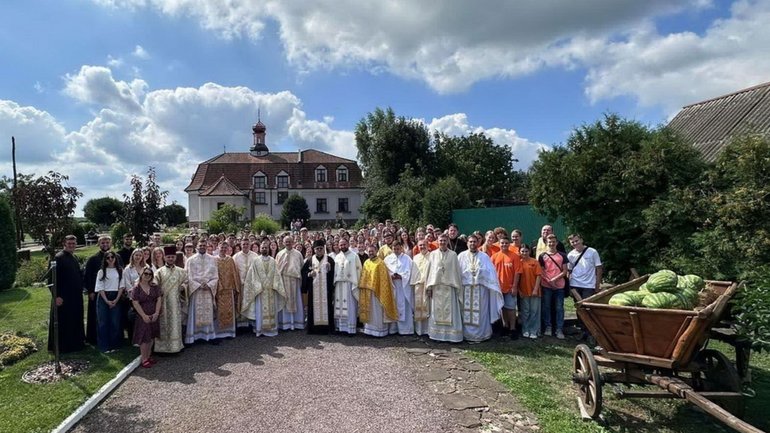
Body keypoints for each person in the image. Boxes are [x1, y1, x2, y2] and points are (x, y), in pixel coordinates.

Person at [458, 234, 503, 342]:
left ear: (478, 243)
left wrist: (481, 273)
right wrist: (467, 274)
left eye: (474, 242)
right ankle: (466, 335)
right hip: (466, 289)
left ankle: (482, 335)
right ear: (467, 243)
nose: (472, 244)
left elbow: (491, 273)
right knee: (465, 311)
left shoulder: (484, 256)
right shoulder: (461, 256)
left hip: (480, 289)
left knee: (481, 312)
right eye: (470, 242)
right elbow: (457, 272)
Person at [48, 235, 85, 353]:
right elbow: (51, 280)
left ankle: (75, 344)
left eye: (73, 243)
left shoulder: (73, 257)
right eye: (69, 243)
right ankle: (63, 347)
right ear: (64, 243)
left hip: (74, 296)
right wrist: (56, 296)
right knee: (64, 322)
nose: (71, 245)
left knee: (74, 319)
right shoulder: (58, 258)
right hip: (62, 297)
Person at [242, 241, 287, 337]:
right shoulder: (255, 261)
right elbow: (252, 276)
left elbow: (277, 274)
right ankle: (260, 330)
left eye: (266, 247)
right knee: (260, 311)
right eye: (262, 248)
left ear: (268, 248)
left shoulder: (273, 261)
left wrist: (275, 285)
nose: (264, 249)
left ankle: (272, 330)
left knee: (272, 310)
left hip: (271, 290)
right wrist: (258, 286)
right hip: (260, 291)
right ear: (260, 249)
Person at [425, 233, 464, 343]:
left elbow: (456, 272)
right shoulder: (432, 254)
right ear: (437, 241)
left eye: (444, 240)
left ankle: (451, 336)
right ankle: (436, 335)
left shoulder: (453, 255)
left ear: (447, 241)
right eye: (440, 240)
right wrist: (428, 288)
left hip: (450, 287)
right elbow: (429, 271)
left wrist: (457, 287)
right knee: (436, 312)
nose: (442, 242)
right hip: (436, 288)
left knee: (451, 312)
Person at [84, 236, 119, 345]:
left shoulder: (116, 257)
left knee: (115, 318)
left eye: (107, 242)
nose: (105, 244)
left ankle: (114, 339)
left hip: (115, 292)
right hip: (97, 293)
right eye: (103, 243)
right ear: (99, 244)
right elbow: (87, 276)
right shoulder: (93, 259)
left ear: (111, 243)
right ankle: (95, 338)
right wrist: (90, 291)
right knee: (98, 317)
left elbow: (120, 274)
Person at [567, 234, 603, 339]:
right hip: (575, 285)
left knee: (588, 308)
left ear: (581, 240)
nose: (575, 243)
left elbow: (599, 268)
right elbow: (569, 271)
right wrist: (568, 285)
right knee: (579, 309)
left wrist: (597, 284)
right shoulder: (570, 255)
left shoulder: (592, 252)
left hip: (589, 285)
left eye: (576, 241)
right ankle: (582, 331)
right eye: (572, 242)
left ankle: (591, 331)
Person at [359, 244, 398, 337]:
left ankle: (379, 331)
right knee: (370, 311)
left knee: (377, 312)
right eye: (369, 251)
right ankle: (369, 330)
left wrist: (378, 287)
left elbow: (384, 279)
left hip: (377, 291)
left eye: (372, 251)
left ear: (376, 251)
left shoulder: (380, 263)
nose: (371, 253)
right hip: (368, 291)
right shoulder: (366, 262)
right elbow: (363, 275)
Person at [154, 246, 188, 353]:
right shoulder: (159, 272)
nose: (170, 259)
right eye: (168, 257)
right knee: (163, 325)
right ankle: (162, 348)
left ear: (175, 258)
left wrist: (183, 287)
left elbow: (187, 282)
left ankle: (176, 346)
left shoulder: (181, 271)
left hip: (175, 303)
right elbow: (154, 286)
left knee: (175, 324)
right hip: (163, 303)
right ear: (164, 258)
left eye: (172, 257)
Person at [185, 240, 219, 344]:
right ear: (197, 247)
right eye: (201, 245)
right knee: (195, 313)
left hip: (208, 290)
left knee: (208, 312)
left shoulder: (212, 259)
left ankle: (209, 336)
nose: (202, 247)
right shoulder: (190, 260)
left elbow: (216, 276)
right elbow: (187, 276)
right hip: (196, 291)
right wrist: (198, 285)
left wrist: (209, 285)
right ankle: (193, 337)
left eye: (204, 245)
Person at [301, 239, 335, 334]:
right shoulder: (310, 260)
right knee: (313, 308)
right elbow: (303, 273)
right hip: (313, 290)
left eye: (321, 248)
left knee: (327, 308)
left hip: (326, 290)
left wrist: (330, 269)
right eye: (317, 248)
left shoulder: (329, 260)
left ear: (324, 249)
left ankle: (327, 329)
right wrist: (309, 274)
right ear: (314, 249)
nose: (319, 250)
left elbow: (334, 275)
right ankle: (313, 329)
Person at [131, 267, 162, 368]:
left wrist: (157, 313)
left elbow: (159, 299)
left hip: (154, 314)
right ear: (141, 274)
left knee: (152, 335)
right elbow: (135, 303)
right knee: (144, 337)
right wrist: (143, 315)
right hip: (142, 315)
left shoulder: (154, 287)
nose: (147, 276)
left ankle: (148, 356)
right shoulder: (137, 288)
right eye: (145, 274)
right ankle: (144, 359)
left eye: (149, 274)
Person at [538, 234, 569, 339]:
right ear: (546, 243)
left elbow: (565, 271)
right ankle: (548, 327)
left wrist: (554, 280)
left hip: (559, 286)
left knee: (559, 308)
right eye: (549, 242)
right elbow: (541, 271)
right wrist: (549, 281)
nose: (551, 244)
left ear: (557, 243)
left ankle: (559, 329)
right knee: (546, 307)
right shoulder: (542, 256)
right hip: (546, 285)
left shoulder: (562, 255)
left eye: (553, 242)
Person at [491, 237, 521, 339]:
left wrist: (515, 286)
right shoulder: (494, 256)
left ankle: (513, 328)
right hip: (498, 287)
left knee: (511, 308)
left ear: (509, 244)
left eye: (506, 243)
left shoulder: (515, 256)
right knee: (502, 307)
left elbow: (517, 272)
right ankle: (505, 326)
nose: (504, 245)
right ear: (499, 244)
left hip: (510, 287)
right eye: (502, 243)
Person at [94, 252, 124, 352]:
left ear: (115, 258)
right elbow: (100, 287)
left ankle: (115, 345)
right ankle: (104, 346)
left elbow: (121, 286)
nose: (110, 259)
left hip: (116, 295)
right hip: (104, 296)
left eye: (112, 257)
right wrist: (107, 301)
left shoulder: (120, 270)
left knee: (115, 322)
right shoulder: (101, 272)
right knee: (103, 322)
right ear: (105, 259)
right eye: (108, 258)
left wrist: (116, 300)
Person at [384, 241, 415, 335]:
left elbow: (409, 271)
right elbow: (385, 271)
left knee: (404, 306)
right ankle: (393, 329)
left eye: (398, 249)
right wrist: (391, 276)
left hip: (403, 286)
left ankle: (405, 330)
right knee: (393, 305)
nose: (396, 250)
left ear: (401, 248)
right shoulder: (387, 259)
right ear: (392, 248)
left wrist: (401, 276)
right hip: (393, 286)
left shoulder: (407, 259)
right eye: (394, 249)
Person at [332, 238, 361, 334]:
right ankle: (340, 328)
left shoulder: (354, 256)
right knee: (339, 306)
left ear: (348, 244)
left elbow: (358, 270)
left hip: (350, 285)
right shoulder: (337, 257)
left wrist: (356, 283)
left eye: (344, 244)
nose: (342, 246)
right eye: (341, 245)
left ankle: (350, 329)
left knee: (350, 306)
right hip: (339, 285)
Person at [275, 236, 305, 330]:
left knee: (296, 301)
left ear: (293, 242)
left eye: (289, 241)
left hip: (295, 281)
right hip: (284, 280)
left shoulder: (298, 254)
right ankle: (285, 323)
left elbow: (301, 266)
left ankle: (297, 323)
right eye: (286, 242)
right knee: (285, 301)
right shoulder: (279, 254)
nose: (288, 243)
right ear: (283, 243)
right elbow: (276, 269)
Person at [120, 249, 147, 342]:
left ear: (142, 257)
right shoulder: (128, 269)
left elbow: (149, 279)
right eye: (136, 255)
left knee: (143, 318)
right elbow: (127, 283)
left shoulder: (146, 267)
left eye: (140, 255)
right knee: (133, 318)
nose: (138, 257)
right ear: (132, 256)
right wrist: (135, 294)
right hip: (133, 297)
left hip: (145, 297)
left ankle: (143, 337)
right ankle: (134, 338)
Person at [215, 243, 241, 339]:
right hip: (219, 289)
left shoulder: (230, 259)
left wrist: (235, 287)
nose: (223, 249)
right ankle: (219, 333)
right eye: (222, 247)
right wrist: (218, 285)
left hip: (229, 289)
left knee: (230, 310)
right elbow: (214, 273)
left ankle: (229, 332)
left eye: (225, 248)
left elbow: (234, 273)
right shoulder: (215, 259)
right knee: (219, 311)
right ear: (218, 248)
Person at [517, 244, 542, 339]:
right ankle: (525, 329)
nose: (524, 253)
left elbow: (539, 276)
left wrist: (535, 289)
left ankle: (534, 330)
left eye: (526, 251)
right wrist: (519, 291)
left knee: (534, 311)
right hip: (523, 291)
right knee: (525, 311)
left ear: (530, 251)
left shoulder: (535, 262)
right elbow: (517, 278)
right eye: (522, 251)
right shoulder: (518, 262)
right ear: (519, 252)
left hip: (534, 291)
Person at [410, 239, 431, 335]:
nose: (422, 247)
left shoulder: (432, 256)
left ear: (428, 245)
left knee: (428, 306)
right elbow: (414, 272)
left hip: (427, 285)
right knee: (418, 306)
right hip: (418, 285)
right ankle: (419, 330)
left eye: (424, 245)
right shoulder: (415, 257)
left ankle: (428, 330)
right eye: (420, 245)